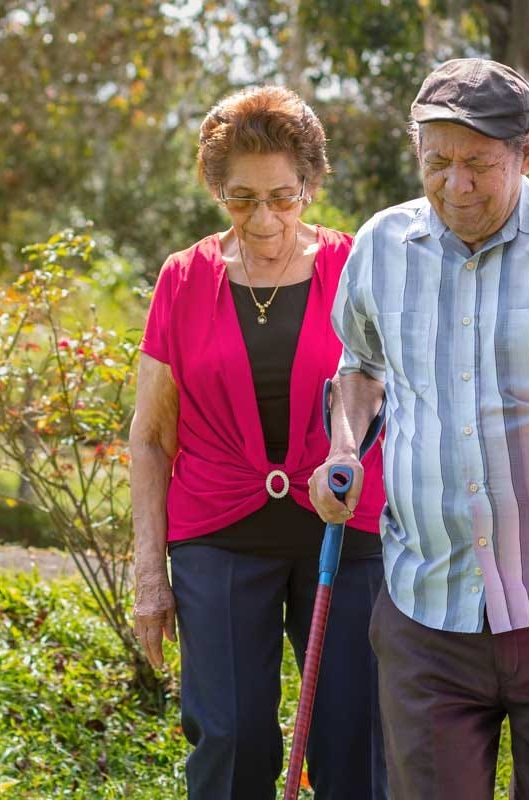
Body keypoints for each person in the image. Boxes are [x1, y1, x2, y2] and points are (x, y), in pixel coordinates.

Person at [309, 59, 529, 799]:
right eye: (437, 163)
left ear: (526, 153)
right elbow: (360, 367)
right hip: (423, 608)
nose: (455, 186)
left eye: (477, 164)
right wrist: (345, 446)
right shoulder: (380, 245)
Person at [129, 86, 389, 800]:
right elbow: (151, 438)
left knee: (353, 739)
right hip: (217, 535)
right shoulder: (182, 280)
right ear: (215, 189)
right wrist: (150, 575)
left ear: (310, 183)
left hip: (346, 528)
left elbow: (395, 395)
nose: (265, 218)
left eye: (283, 196)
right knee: (231, 737)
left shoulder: (355, 265)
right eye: (241, 199)